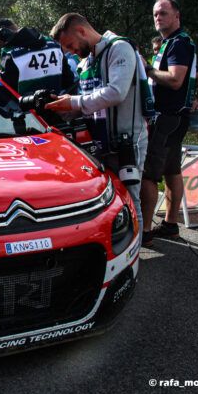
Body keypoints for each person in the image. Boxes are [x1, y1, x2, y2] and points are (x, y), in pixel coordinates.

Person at [47, 13, 148, 235]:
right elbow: (89, 102)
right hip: (101, 144)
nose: (70, 52)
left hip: (127, 143)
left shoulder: (119, 48)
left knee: (131, 203)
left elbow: (116, 92)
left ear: (81, 31)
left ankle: (135, 252)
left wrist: (74, 101)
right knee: (111, 205)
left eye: (70, 45)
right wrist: (58, 108)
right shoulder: (87, 61)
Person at [140, 0, 198, 246]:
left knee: (148, 175)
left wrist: (148, 70)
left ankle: (144, 232)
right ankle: (170, 225)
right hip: (173, 117)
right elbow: (197, 74)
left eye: (163, 13)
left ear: (177, 16)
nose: (158, 17)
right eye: (155, 13)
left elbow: (175, 80)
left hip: (167, 118)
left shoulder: (178, 43)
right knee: (171, 170)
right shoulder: (171, 43)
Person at [0, 18, 77, 96]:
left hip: (30, 110)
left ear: (4, 33)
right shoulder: (54, 44)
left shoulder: (10, 55)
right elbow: (68, 80)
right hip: (60, 105)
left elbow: (8, 92)